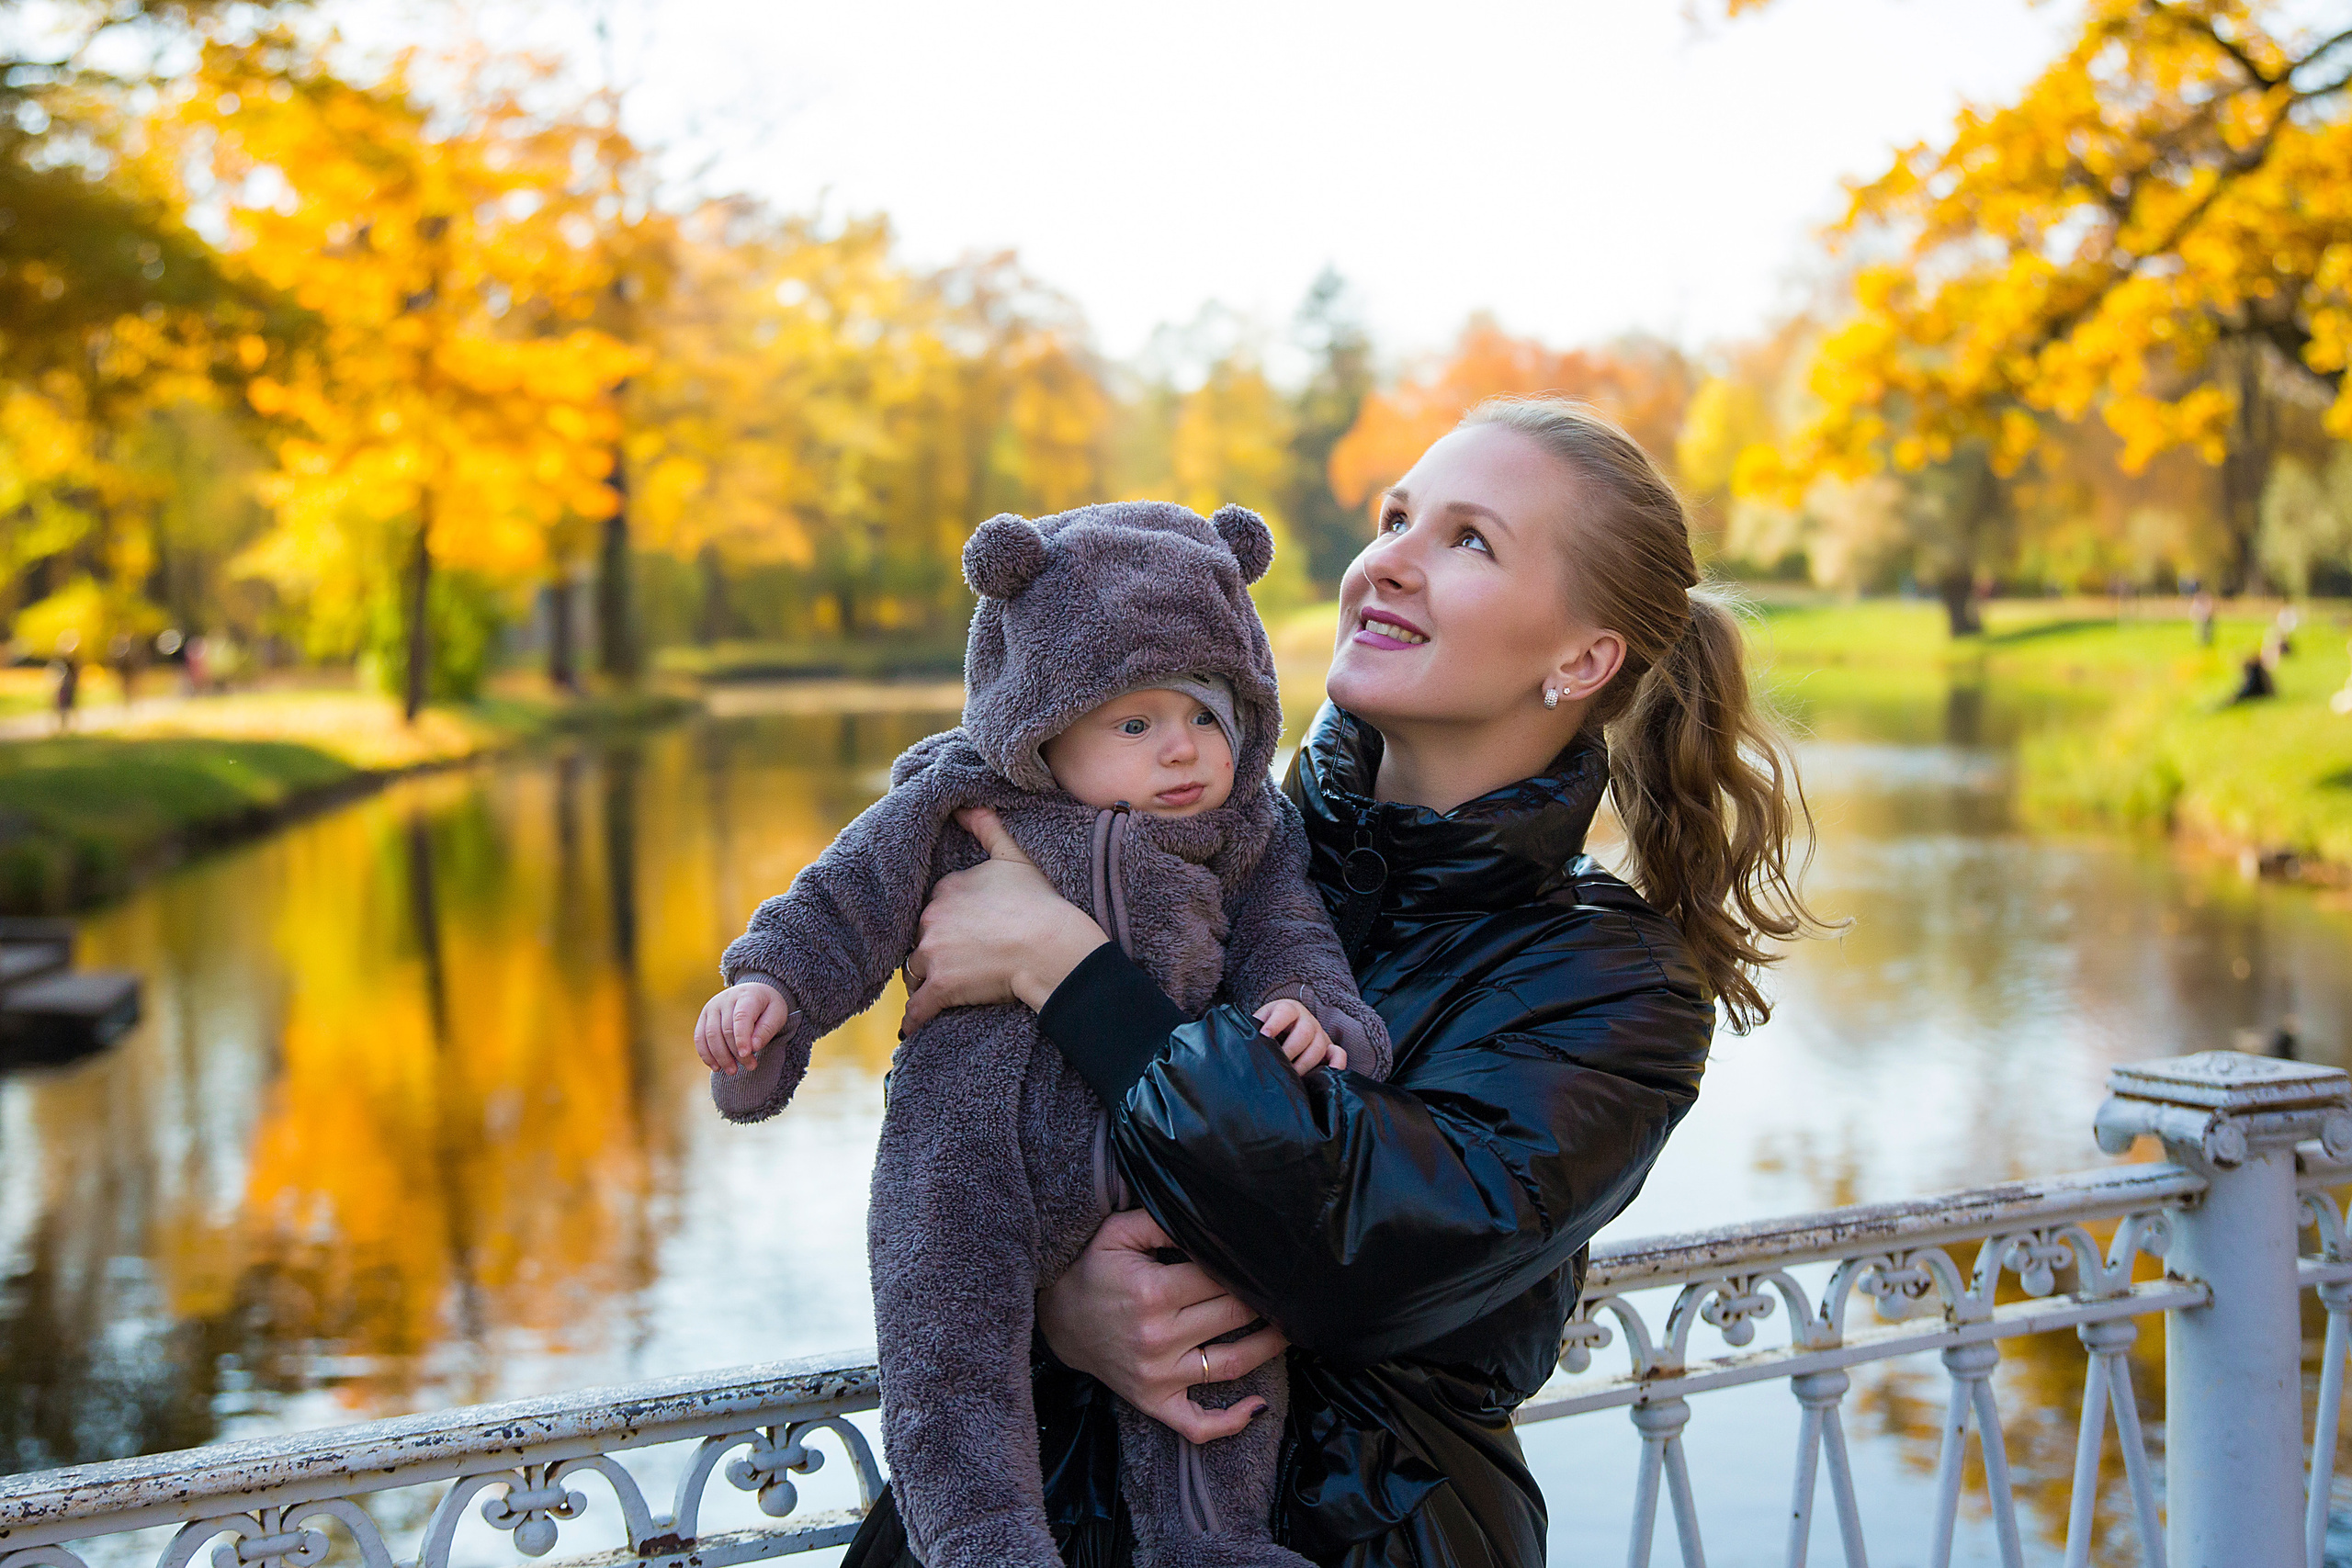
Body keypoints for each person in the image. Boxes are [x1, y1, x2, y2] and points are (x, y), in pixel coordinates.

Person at [861, 397, 1833, 1568]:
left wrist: (1068, 970)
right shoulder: (1159, 837)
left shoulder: (1611, 986)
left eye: (1467, 541)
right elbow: (968, 1134)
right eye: (1396, 517)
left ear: (1581, 659)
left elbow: (1372, 1252)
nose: (1390, 565)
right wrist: (1055, 1307)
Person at [694, 501, 1390, 1568]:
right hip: (970, 1142)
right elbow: (846, 902)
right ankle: (982, 1539)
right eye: (1133, 724)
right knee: (949, 1344)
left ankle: (1212, 1542)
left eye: (1207, 716)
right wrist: (773, 990)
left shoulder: (1248, 832)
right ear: (1042, 721)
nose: (1181, 750)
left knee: (1212, 1344)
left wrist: (1317, 1014)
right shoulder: (961, 804)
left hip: (1157, 1145)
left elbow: (1293, 941)